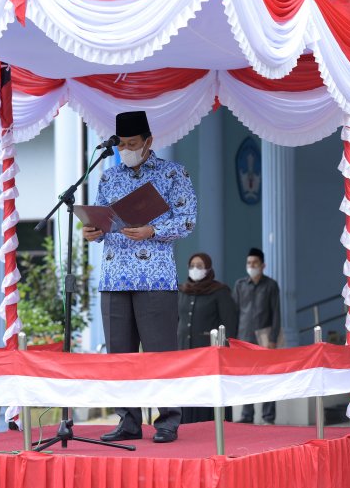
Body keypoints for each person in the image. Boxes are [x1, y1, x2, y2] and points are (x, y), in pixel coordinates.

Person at [83, 110, 197, 444]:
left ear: (149, 141)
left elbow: (188, 220)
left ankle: (168, 420)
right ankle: (128, 420)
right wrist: (92, 231)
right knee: (120, 356)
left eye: (133, 143)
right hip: (115, 278)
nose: (127, 149)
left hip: (155, 279)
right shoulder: (108, 177)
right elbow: (101, 222)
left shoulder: (173, 174)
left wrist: (153, 229)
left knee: (160, 352)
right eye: (122, 144)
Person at [177, 252, 238, 423]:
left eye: (200, 266)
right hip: (184, 353)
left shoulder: (219, 291)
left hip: (209, 354)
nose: (195, 269)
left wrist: (225, 351)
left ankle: (212, 424)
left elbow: (229, 324)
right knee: (188, 390)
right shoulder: (182, 290)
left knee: (207, 391)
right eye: (192, 266)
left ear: (208, 269)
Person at [232, 247, 280, 424]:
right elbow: (234, 313)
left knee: (268, 377)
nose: (251, 266)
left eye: (255, 263)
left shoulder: (271, 285)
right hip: (243, 336)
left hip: (265, 338)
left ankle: (268, 416)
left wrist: (273, 338)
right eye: (249, 263)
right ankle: (246, 415)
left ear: (263, 265)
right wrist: (232, 338)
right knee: (246, 377)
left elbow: (276, 313)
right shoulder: (240, 285)